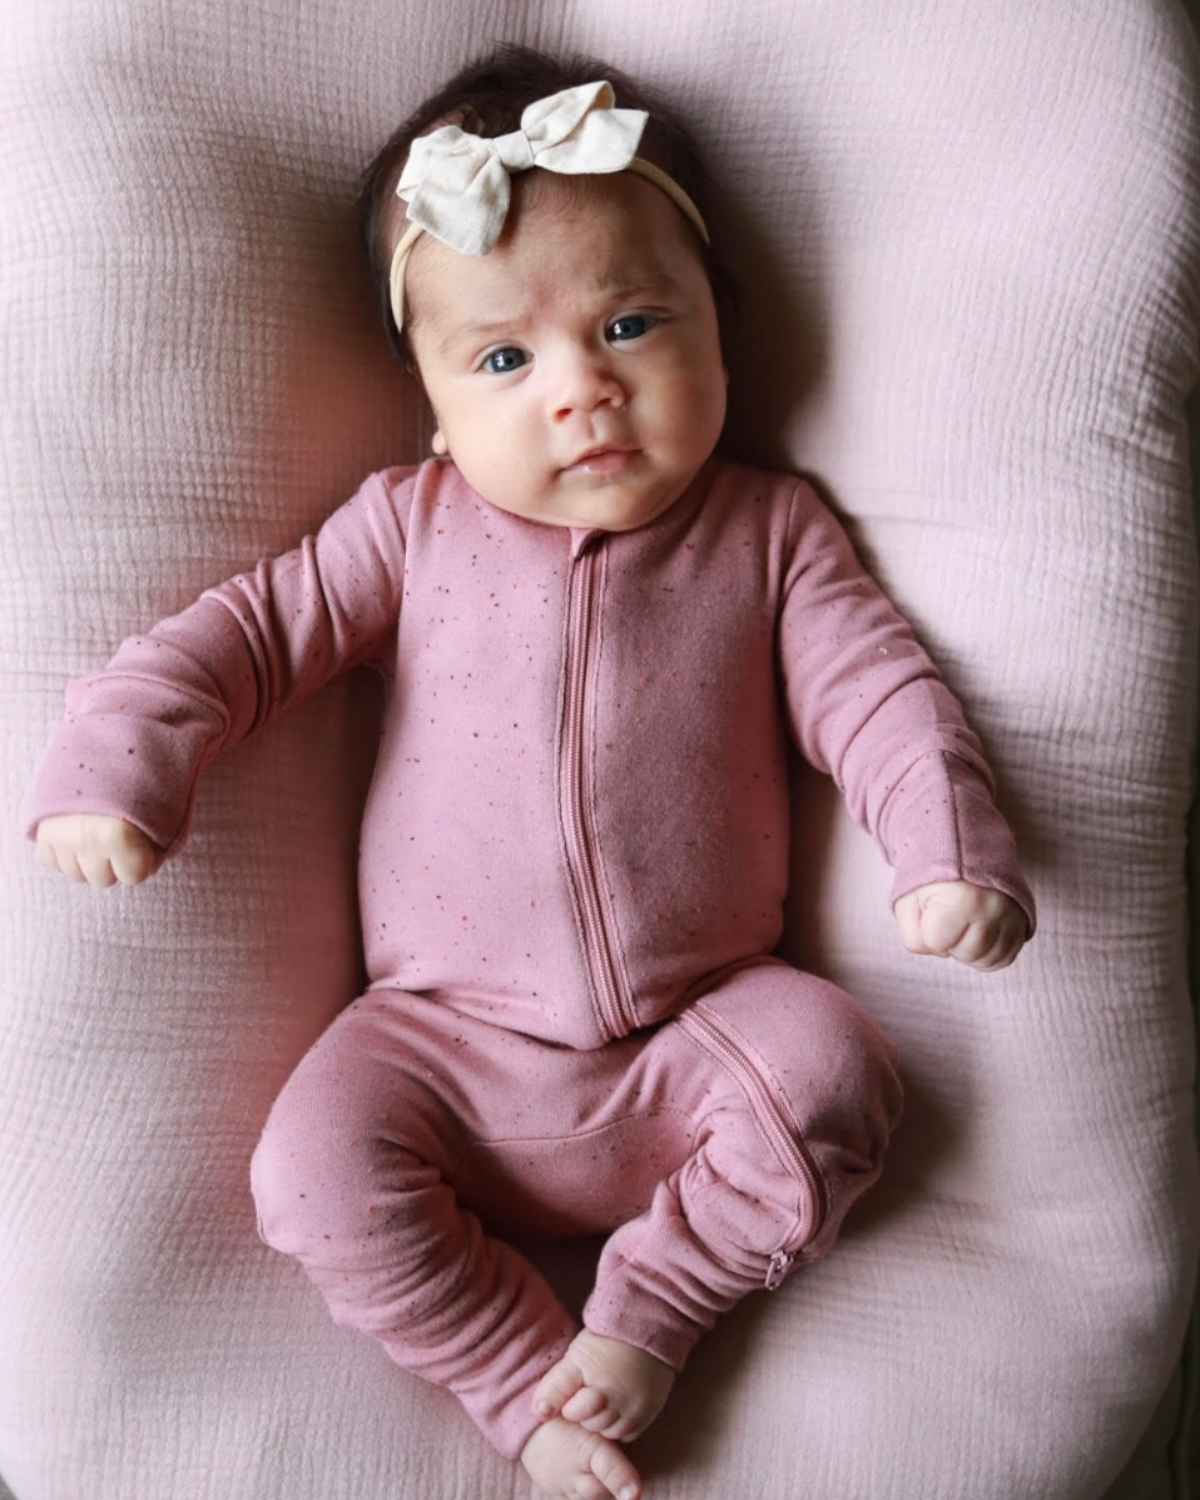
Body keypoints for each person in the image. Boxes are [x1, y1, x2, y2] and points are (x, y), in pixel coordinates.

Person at [26, 46, 1034, 1500]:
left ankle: (652, 1310)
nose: (583, 392)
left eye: (631, 324)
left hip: (702, 1035)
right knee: (307, 1166)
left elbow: (879, 693)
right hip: (440, 1045)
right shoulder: (409, 528)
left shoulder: (771, 536)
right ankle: (521, 1380)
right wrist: (119, 764)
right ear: (434, 406)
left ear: (721, 337)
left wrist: (945, 851)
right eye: (505, 359)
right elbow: (245, 637)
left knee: (842, 1070)